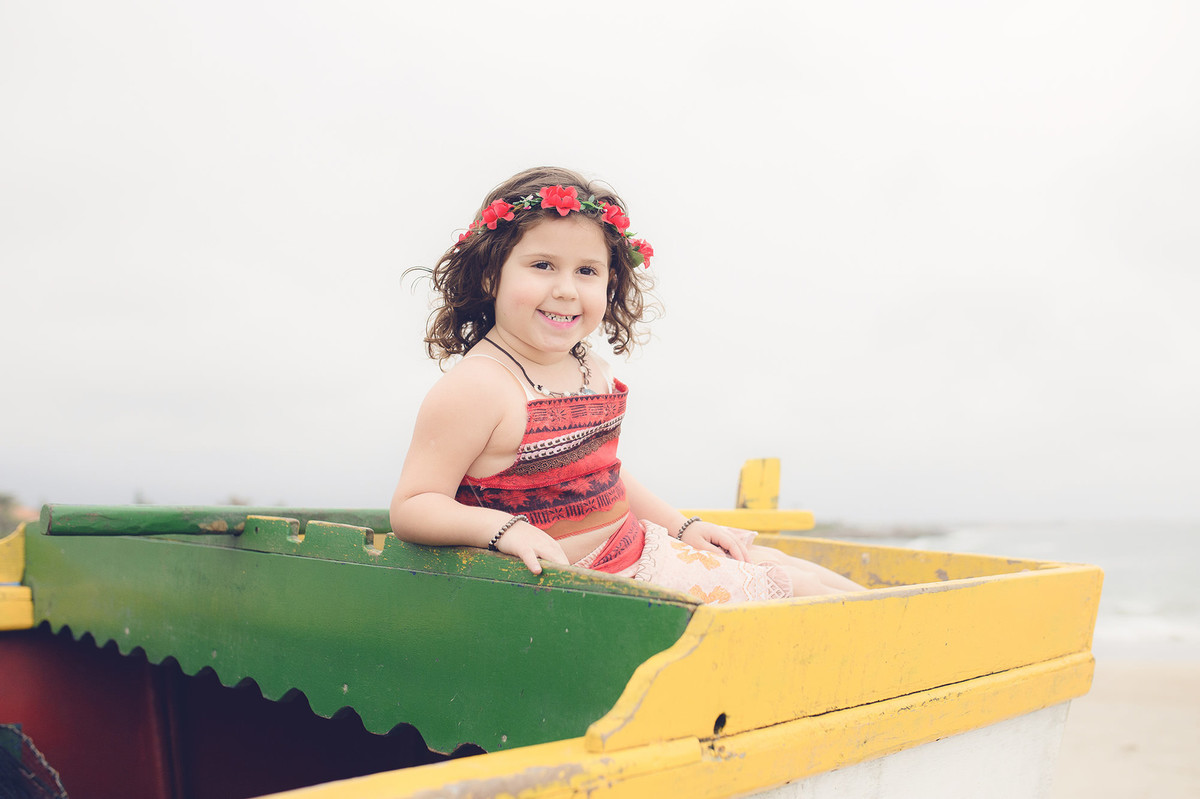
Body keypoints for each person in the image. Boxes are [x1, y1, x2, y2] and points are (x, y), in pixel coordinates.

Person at [389, 167, 862, 602]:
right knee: (801, 591)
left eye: (586, 271)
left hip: (638, 548)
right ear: (492, 274)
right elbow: (414, 504)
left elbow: (604, 475)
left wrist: (681, 526)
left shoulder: (588, 367)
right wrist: (503, 530)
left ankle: (906, 621)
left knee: (786, 567)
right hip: (593, 587)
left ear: (610, 283)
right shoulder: (480, 386)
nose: (566, 289)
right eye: (542, 265)